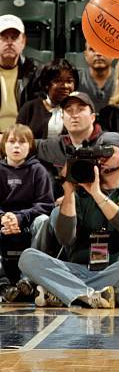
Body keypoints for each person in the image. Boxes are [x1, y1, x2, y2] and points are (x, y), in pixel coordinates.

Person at [18, 132, 119, 308]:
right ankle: (89, 296)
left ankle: (64, 292)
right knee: (28, 257)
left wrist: (97, 194)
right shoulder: (79, 195)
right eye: (99, 151)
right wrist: (68, 191)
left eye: (109, 151)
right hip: (78, 270)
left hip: (117, 274)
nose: (102, 157)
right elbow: (65, 239)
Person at [0, 124, 54, 302]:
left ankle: (28, 279)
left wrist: (20, 218)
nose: (16, 146)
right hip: (4, 223)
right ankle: (3, 284)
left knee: (44, 220)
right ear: (3, 144)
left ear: (30, 145)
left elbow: (46, 204)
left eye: (22, 142)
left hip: (29, 221)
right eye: (12, 141)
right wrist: (4, 218)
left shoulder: (38, 171)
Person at [36, 91, 102, 169]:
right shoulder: (56, 145)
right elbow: (27, 143)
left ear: (92, 118)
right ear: (62, 119)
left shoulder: (107, 143)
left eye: (80, 109)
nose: (74, 115)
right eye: (69, 110)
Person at [17, 59, 79, 139]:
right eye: (58, 81)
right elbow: (18, 139)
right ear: (46, 84)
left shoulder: (79, 110)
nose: (65, 86)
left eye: (69, 81)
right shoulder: (30, 108)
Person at [0, 15, 42, 132]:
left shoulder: (36, 71)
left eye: (14, 38)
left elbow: (39, 116)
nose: (9, 43)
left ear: (23, 41)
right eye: (3, 38)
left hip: (23, 138)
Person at [77, 42, 115, 113]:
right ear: (85, 55)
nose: (98, 53)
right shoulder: (76, 80)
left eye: (104, 49)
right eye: (92, 49)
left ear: (113, 54)